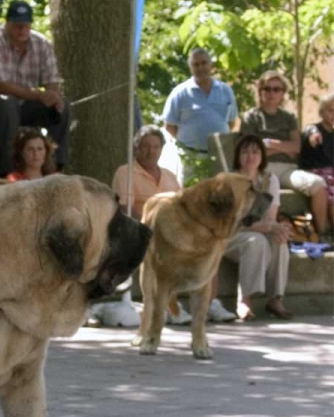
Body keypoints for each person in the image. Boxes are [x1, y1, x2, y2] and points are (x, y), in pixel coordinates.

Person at [111, 125, 236, 324]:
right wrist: (151, 226)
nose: (151, 151)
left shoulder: (169, 176)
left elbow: (182, 206)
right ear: (136, 148)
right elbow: (127, 209)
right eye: (145, 146)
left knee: (210, 246)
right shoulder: (125, 172)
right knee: (170, 252)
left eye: (155, 146)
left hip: (174, 229)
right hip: (140, 229)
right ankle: (173, 309)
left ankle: (210, 304)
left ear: (161, 149)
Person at [0, 0, 70, 176]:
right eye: (17, 25)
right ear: (7, 23)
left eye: (25, 25)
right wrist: (38, 95)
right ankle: (6, 171)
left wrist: (53, 97)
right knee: (7, 104)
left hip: (30, 104)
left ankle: (56, 166)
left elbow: (51, 79)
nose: (21, 30)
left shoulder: (41, 43)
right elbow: (0, 85)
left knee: (64, 106)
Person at [240, 70, 329, 236]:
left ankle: (323, 235)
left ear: (283, 94)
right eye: (267, 88)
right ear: (260, 91)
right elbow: (250, 149)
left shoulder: (289, 117)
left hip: (289, 169)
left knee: (318, 185)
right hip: (260, 169)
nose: (272, 93)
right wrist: (283, 147)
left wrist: (269, 143)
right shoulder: (251, 117)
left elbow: (296, 147)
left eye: (277, 89)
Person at [223, 134, 293, 320]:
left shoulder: (270, 180)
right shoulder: (228, 180)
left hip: (259, 230)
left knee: (279, 240)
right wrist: (265, 227)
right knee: (257, 240)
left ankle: (275, 299)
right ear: (238, 155)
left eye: (255, 152)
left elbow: (270, 218)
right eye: (245, 151)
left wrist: (278, 229)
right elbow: (229, 221)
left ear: (262, 156)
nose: (250, 156)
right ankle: (244, 300)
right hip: (228, 235)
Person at [162, 48, 238, 184]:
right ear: (190, 68)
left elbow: (232, 122)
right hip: (191, 157)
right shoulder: (180, 93)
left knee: (220, 196)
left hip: (219, 155)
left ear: (211, 65)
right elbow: (169, 125)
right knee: (191, 197)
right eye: (196, 64)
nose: (200, 67)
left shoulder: (225, 90)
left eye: (204, 63)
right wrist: (188, 142)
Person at [299, 92, 334, 239]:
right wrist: (314, 136)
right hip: (316, 169)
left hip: (330, 171)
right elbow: (311, 133)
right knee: (331, 184)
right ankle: (323, 232)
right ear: (321, 112)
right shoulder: (314, 128)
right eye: (330, 110)